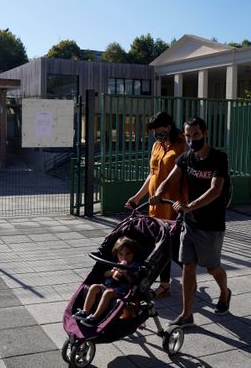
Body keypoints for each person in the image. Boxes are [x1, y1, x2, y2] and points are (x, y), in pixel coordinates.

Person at [150, 117, 231, 327]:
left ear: (205, 133)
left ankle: (224, 292)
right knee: (188, 266)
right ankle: (187, 315)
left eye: (195, 134)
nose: (191, 139)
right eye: (187, 135)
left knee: (213, 267)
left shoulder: (218, 158)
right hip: (190, 222)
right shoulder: (187, 158)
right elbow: (170, 178)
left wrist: (189, 206)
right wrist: (158, 193)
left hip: (212, 223)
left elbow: (215, 190)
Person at [125, 111, 188, 299]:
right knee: (162, 246)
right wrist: (137, 197)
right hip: (155, 205)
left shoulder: (182, 146)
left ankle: (187, 277)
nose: (156, 135)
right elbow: (152, 174)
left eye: (159, 131)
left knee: (171, 247)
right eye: (154, 132)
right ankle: (166, 285)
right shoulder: (157, 146)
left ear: (168, 127)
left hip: (172, 205)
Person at [73, 236, 139, 327]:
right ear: (117, 254)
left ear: (134, 254)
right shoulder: (116, 263)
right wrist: (112, 272)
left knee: (108, 293)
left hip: (122, 290)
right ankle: (85, 311)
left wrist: (126, 273)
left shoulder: (134, 266)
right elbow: (105, 274)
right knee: (94, 287)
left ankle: (94, 318)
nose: (124, 257)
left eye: (128, 254)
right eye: (121, 254)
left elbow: (134, 280)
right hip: (107, 285)